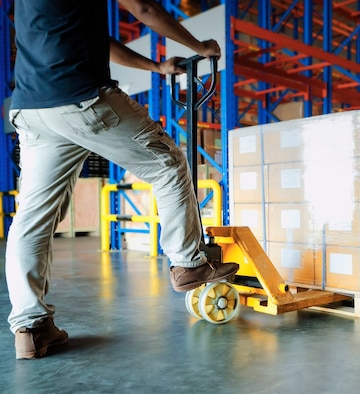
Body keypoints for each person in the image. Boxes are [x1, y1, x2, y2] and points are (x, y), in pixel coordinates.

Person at [6, 0, 239, 359]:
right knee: (168, 164)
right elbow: (144, 9)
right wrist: (200, 47)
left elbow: (99, 40)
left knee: (32, 217)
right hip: (82, 96)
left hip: (33, 109)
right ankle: (189, 264)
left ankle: (31, 328)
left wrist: (156, 66)